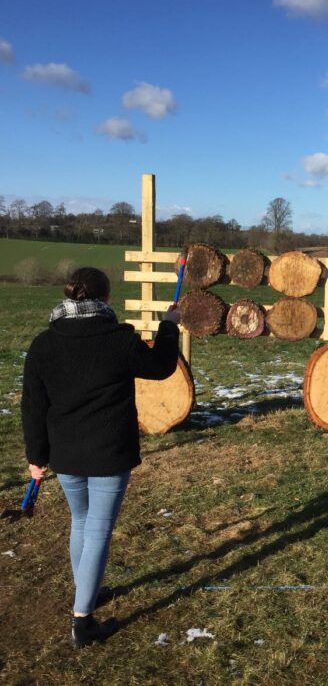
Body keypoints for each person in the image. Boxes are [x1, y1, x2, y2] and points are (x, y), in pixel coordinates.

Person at [21, 267, 181, 648]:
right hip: (109, 452)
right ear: (106, 299)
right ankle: (83, 621)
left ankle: (86, 592)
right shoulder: (119, 339)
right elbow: (161, 367)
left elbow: (32, 406)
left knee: (82, 521)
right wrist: (170, 326)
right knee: (97, 529)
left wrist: (35, 455)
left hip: (66, 454)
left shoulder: (44, 343)